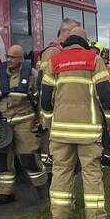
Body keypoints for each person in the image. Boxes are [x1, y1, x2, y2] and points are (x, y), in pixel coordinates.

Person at [41, 33, 110, 219]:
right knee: (91, 174)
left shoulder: (54, 61)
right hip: (88, 131)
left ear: (65, 45)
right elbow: (106, 95)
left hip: (60, 131)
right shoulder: (94, 59)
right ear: (84, 46)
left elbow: (45, 96)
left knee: (60, 173)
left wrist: (49, 123)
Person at [0, 44, 47, 204]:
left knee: (28, 160)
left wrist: (41, 119)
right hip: (3, 124)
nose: (9, 60)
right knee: (2, 161)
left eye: (13, 57)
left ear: (21, 58)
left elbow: (40, 99)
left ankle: (44, 193)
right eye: (7, 56)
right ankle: (6, 194)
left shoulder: (32, 74)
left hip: (25, 123)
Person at [37, 18, 83, 171]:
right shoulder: (54, 51)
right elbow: (45, 84)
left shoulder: (60, 50)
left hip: (60, 109)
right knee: (53, 155)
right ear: (65, 32)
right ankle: (49, 184)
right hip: (54, 110)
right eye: (74, 33)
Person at [93, 42, 110, 166]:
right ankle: (106, 158)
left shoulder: (107, 67)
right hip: (98, 105)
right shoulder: (96, 66)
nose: (94, 53)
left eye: (96, 51)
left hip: (108, 102)